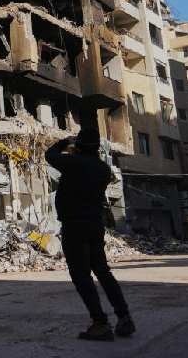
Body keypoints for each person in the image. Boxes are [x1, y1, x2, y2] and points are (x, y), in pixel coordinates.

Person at [46, 128, 134, 342]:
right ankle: (124, 317)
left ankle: (100, 323)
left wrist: (64, 142)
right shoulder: (103, 169)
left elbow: (50, 155)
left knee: (81, 275)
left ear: (79, 145)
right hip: (94, 224)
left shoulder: (73, 163)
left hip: (74, 225)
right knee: (102, 271)